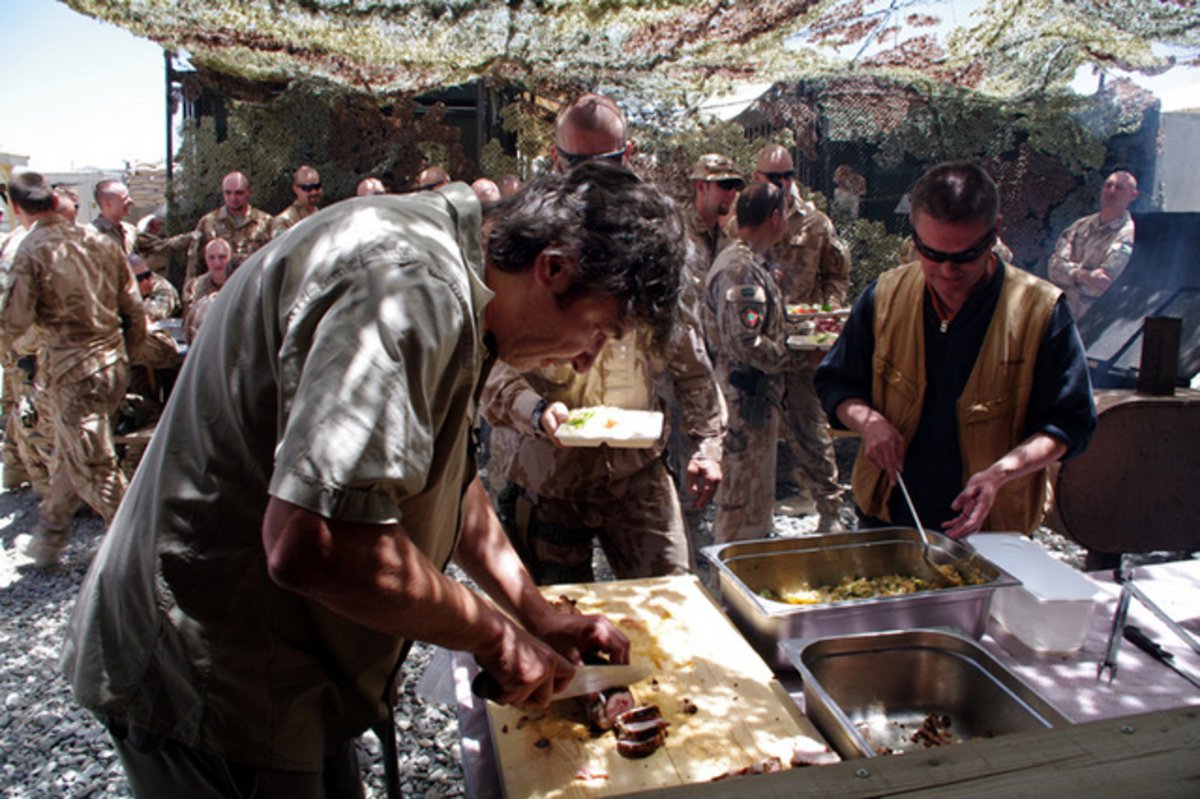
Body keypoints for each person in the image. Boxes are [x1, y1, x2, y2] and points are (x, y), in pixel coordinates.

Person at [60, 162, 684, 796]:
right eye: (599, 332)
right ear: (553, 267)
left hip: (287, 668)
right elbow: (317, 541)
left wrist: (533, 611)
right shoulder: (413, 285)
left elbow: (444, 473)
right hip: (212, 671)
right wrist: (492, 635)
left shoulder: (463, 278)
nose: (587, 359)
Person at [481, 93, 723, 584]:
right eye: (579, 163)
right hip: (550, 479)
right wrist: (532, 410)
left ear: (627, 155)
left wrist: (708, 446)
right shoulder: (529, 239)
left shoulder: (650, 243)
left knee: (672, 603)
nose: (594, 176)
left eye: (607, 162)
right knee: (555, 622)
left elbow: (690, 361)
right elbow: (489, 365)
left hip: (637, 474)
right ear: (555, 160)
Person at [815, 161, 1097, 538]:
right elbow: (837, 382)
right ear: (913, 235)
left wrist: (1002, 473)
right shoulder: (885, 294)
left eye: (965, 256)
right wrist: (869, 422)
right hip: (889, 516)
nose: (948, 271)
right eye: (932, 254)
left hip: (994, 529)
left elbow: (1070, 423)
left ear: (995, 233)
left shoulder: (1040, 310)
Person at [1, 171, 148, 566]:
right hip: (113, 366)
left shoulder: (33, 249)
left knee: (96, 466)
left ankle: (133, 551)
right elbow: (135, 312)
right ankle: (48, 540)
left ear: (17, 209)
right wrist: (125, 355)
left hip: (72, 374)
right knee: (73, 454)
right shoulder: (97, 241)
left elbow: (12, 322)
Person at [753, 144, 852, 529]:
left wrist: (826, 313)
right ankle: (754, 511)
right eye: (773, 177)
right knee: (753, 425)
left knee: (808, 425)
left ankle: (828, 508)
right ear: (757, 177)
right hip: (758, 342)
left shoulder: (816, 223)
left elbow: (836, 273)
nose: (782, 183)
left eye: (788, 175)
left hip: (802, 341)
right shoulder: (743, 219)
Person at [704, 182, 799, 542]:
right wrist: (793, 356)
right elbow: (745, 343)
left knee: (755, 499)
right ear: (775, 217)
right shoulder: (740, 269)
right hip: (743, 402)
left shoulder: (749, 262)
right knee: (741, 502)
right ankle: (730, 588)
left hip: (754, 401)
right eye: (786, 213)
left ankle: (748, 579)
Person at [1047, 169, 1138, 319]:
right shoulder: (1080, 226)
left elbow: (1102, 282)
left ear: (1133, 195)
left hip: (1092, 321)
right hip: (1060, 315)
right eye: (1108, 185)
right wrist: (1083, 275)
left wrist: (1070, 274)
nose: (1111, 191)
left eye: (1119, 188)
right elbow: (1054, 267)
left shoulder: (1128, 234)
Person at [186, 170, 273, 280]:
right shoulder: (208, 222)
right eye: (228, 193)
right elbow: (194, 263)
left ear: (249, 192)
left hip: (254, 285)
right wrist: (190, 291)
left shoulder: (266, 222)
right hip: (219, 290)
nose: (233, 198)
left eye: (239, 193)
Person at [684, 153, 744, 290]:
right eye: (725, 185)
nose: (732, 193)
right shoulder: (678, 231)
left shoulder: (727, 240)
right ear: (701, 187)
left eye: (736, 186)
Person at [270, 165, 324, 236]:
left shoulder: (323, 216)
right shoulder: (284, 221)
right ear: (295, 189)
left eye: (317, 186)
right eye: (307, 188)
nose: (314, 192)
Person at [89, 179, 137, 253]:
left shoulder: (131, 230)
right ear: (107, 204)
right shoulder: (90, 235)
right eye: (125, 198)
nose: (130, 200)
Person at [129, 254, 180, 322]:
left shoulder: (164, 289)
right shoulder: (122, 286)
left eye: (147, 275)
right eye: (139, 278)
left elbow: (157, 313)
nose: (145, 281)